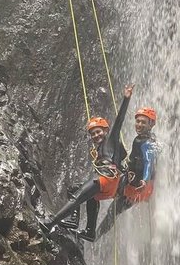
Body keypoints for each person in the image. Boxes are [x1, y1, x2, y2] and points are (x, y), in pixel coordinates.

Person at [41, 85, 134, 241]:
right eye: (92, 133)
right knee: (87, 194)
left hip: (106, 178)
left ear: (106, 131)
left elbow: (119, 120)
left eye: (98, 131)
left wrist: (126, 98)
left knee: (77, 196)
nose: (96, 135)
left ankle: (50, 223)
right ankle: (90, 231)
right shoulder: (105, 149)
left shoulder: (111, 140)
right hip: (110, 185)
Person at [96, 105, 158, 239]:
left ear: (151, 124)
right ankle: (94, 234)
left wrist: (145, 180)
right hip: (131, 181)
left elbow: (149, 162)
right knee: (111, 205)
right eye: (138, 121)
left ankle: (95, 236)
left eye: (143, 122)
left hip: (138, 188)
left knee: (113, 211)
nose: (139, 124)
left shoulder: (148, 143)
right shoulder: (141, 139)